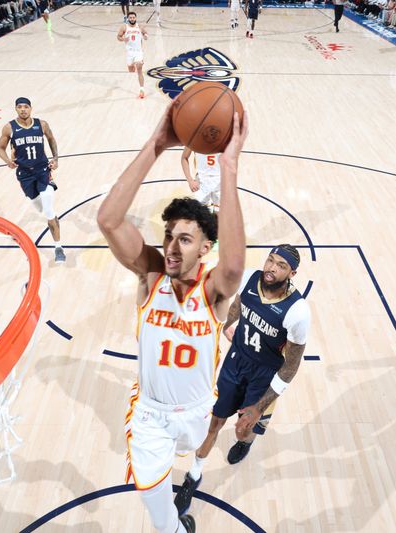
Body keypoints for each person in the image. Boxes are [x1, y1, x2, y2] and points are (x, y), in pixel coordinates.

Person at [96, 101, 248, 533]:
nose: (172, 246)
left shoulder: (214, 290)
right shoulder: (149, 275)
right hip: (150, 414)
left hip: (199, 410)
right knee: (152, 500)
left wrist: (230, 166)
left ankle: (195, 475)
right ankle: (177, 529)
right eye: (168, 236)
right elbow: (108, 220)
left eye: (185, 238)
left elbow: (234, 268)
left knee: (196, 454)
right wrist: (157, 144)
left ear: (205, 248)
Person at [173, 245, 311, 517]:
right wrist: (228, 325)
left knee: (242, 430)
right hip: (235, 362)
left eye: (280, 265)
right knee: (214, 422)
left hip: (264, 376)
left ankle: (247, 441)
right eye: (270, 260)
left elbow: (291, 367)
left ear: (292, 273)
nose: (271, 268)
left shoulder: (298, 312)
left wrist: (259, 407)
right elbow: (238, 304)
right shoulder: (251, 278)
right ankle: (194, 475)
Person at [0, 97, 65, 263]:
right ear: (16, 109)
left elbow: (51, 139)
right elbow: (0, 148)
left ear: (31, 108)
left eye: (25, 107)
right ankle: (52, 216)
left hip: (43, 171)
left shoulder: (41, 124)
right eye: (19, 107)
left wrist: (55, 158)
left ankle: (58, 247)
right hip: (25, 175)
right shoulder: (9, 128)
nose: (23, 110)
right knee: (41, 209)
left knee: (48, 208)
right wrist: (7, 160)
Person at [117, 11, 147, 99]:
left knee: (139, 69)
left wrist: (146, 36)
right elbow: (118, 37)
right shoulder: (124, 27)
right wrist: (123, 38)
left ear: (136, 18)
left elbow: (146, 33)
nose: (132, 19)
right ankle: (133, 64)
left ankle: (142, 90)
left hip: (138, 52)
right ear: (128, 19)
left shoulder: (140, 26)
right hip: (129, 53)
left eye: (133, 17)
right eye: (130, 18)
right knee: (131, 69)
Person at [181, 148, 221, 213]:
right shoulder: (193, 139)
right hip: (201, 180)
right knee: (202, 216)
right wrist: (190, 180)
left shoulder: (224, 138)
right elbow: (184, 158)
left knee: (219, 217)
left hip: (220, 180)